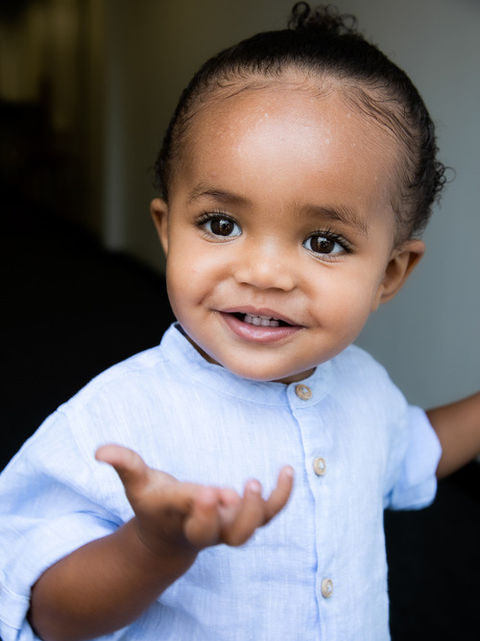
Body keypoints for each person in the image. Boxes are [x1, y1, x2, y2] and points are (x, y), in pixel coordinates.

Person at [0, 3, 479, 640]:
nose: (265, 273)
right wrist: (152, 547)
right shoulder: (114, 421)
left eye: (324, 241)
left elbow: (412, 448)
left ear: (390, 274)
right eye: (221, 224)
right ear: (167, 231)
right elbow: (48, 614)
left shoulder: (363, 386)